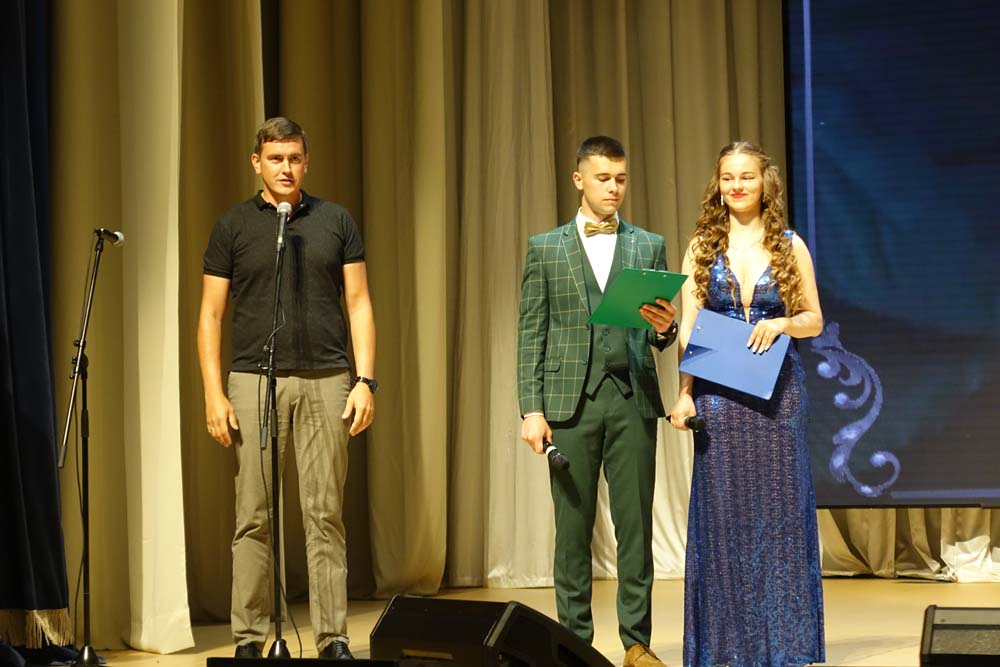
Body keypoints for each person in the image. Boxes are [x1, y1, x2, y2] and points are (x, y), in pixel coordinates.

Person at [197, 117, 376, 660]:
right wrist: (213, 393)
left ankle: (333, 638)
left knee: (324, 514)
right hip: (255, 379)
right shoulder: (233, 227)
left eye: (294, 158)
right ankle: (249, 638)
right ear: (257, 162)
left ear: (306, 161)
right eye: (275, 159)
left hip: (327, 377)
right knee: (253, 516)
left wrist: (364, 380)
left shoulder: (335, 220)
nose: (285, 168)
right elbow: (210, 315)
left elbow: (358, 303)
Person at [518, 136, 677, 667]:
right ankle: (574, 645)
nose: (614, 188)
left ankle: (636, 643)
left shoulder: (648, 245)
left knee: (636, 528)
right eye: (604, 178)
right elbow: (531, 333)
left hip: (632, 399)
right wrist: (531, 409)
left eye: (621, 179)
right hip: (570, 404)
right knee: (572, 531)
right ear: (579, 179)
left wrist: (666, 329)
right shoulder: (545, 248)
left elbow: (656, 331)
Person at [669, 141, 825, 667]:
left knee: (780, 518)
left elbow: (813, 320)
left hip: (778, 395)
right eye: (728, 178)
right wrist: (684, 394)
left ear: (765, 183)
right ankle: (727, 649)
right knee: (724, 521)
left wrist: (781, 322)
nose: (737, 186)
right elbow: (690, 330)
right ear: (718, 185)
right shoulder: (701, 247)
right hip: (718, 397)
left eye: (747, 177)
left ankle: (783, 646)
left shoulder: (789, 245)